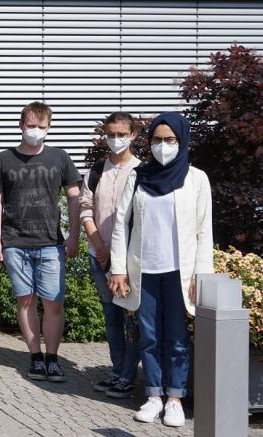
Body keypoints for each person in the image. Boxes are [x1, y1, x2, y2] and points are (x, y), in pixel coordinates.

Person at [109, 112, 212, 428]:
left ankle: (175, 399)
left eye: (170, 140)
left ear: (181, 142)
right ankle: (154, 395)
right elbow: (120, 225)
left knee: (178, 337)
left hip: (179, 272)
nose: (163, 146)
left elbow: (204, 231)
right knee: (149, 337)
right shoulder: (139, 176)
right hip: (146, 270)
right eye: (157, 139)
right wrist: (118, 269)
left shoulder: (196, 179)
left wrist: (201, 276)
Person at [0, 101, 82, 382]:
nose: (35, 131)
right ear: (21, 126)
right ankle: (35, 356)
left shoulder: (60, 157)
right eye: (31, 126)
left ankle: (53, 358)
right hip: (15, 241)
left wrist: (74, 234)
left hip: (50, 242)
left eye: (41, 127)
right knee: (25, 300)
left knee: (53, 302)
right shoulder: (4, 159)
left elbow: (74, 196)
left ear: (49, 128)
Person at [80, 112, 142, 399]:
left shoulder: (142, 172)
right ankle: (118, 372)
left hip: (130, 259)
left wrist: (117, 253)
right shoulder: (96, 171)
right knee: (111, 316)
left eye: (121, 134)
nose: (115, 139)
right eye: (111, 134)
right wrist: (98, 242)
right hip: (99, 254)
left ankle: (128, 375)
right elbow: (85, 207)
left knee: (131, 318)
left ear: (133, 135)